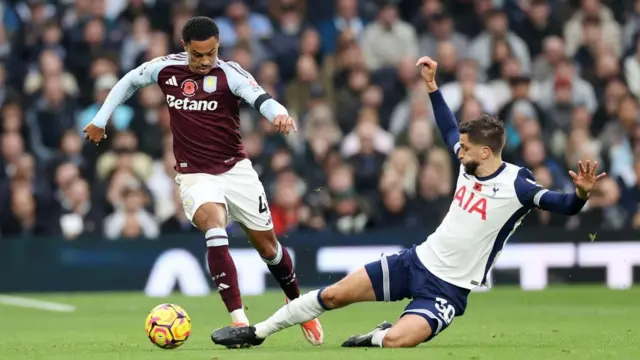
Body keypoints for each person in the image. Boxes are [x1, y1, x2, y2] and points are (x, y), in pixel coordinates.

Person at [210, 56, 606, 348]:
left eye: (466, 147)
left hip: (448, 290)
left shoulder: (519, 185)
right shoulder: (468, 164)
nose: (458, 149)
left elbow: (564, 205)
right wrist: (433, 87)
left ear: (486, 152)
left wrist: (583, 194)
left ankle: (376, 335)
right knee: (332, 295)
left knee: (398, 341)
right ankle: (255, 333)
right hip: (416, 260)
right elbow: (449, 127)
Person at [83, 17, 323, 345]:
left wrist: (279, 115)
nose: (205, 61)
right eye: (198, 55)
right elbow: (129, 80)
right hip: (194, 174)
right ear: (185, 48)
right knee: (214, 225)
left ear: (218, 46)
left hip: (236, 171)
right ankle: (240, 321)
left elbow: (262, 99)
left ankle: (296, 304)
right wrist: (100, 119)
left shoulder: (231, 74)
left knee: (269, 248)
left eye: (211, 53)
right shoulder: (166, 69)